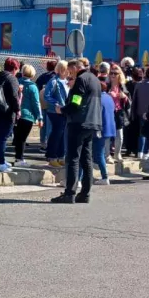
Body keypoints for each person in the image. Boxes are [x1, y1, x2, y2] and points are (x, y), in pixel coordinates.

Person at [51, 57, 102, 204]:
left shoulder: (81, 80)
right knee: (86, 159)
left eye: (69, 71)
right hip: (93, 122)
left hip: (79, 122)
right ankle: (85, 193)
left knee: (73, 158)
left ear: (74, 68)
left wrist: (63, 110)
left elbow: (76, 102)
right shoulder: (95, 79)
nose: (69, 75)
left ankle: (70, 193)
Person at [0, 58, 21, 172]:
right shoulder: (12, 78)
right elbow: (13, 96)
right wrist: (18, 110)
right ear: (15, 68)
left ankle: (0, 159)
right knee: (3, 138)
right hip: (8, 111)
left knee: (0, 137)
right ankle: (0, 162)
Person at [13, 64, 42, 167]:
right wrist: (40, 117)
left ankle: (17, 157)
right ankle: (19, 159)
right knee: (23, 139)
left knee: (17, 138)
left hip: (16, 113)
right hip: (28, 116)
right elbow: (36, 103)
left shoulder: (17, 82)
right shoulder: (33, 87)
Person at [43, 60, 69, 167]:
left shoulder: (67, 81)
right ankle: (52, 156)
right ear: (63, 69)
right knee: (57, 133)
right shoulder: (54, 81)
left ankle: (60, 156)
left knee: (62, 134)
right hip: (55, 111)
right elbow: (46, 95)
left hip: (64, 111)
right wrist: (56, 104)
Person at [132, 67, 149, 160]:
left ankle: (140, 151)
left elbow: (134, 99)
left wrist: (134, 111)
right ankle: (146, 152)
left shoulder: (138, 84)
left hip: (140, 111)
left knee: (142, 132)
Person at [92, 81, 116, 185]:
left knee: (98, 153)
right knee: (99, 152)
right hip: (109, 128)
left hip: (100, 129)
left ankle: (104, 176)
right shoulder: (109, 97)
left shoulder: (98, 99)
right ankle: (102, 176)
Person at [107, 65, 131, 162]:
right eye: (111, 73)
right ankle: (107, 155)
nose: (113, 75)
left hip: (119, 112)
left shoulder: (123, 86)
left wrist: (124, 97)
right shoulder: (106, 85)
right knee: (108, 135)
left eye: (115, 73)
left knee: (119, 135)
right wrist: (107, 95)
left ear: (119, 75)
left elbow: (129, 101)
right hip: (108, 112)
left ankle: (117, 154)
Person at [35, 59, 58, 148]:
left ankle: (42, 142)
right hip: (52, 102)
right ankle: (49, 142)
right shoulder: (55, 77)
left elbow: (37, 86)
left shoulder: (42, 76)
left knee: (43, 122)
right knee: (50, 124)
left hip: (42, 100)